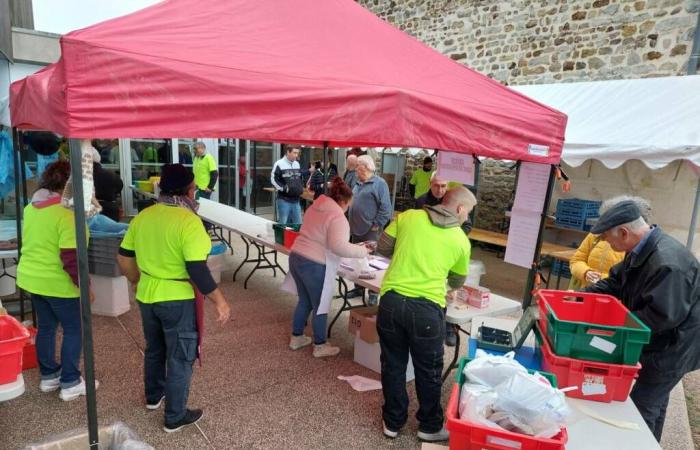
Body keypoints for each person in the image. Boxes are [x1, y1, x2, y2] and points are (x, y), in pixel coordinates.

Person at [117, 163, 231, 433]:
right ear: (188, 190)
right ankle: (174, 416)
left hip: (147, 295)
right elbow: (197, 268)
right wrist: (220, 301)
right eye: (193, 189)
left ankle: (154, 397)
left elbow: (123, 257)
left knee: (155, 349)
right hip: (177, 298)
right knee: (180, 357)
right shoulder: (189, 221)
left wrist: (136, 281)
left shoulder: (143, 216)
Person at [581, 199, 700, 442]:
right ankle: (651, 443)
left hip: (676, 345)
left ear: (624, 233)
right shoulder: (641, 249)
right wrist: (578, 297)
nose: (606, 242)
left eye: (606, 237)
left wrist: (613, 332)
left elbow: (660, 317)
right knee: (656, 401)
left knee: (643, 406)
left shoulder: (667, 263)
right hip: (665, 337)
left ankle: (636, 444)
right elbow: (615, 282)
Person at [376, 186, 476, 442]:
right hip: (427, 310)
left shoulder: (409, 216)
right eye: (469, 212)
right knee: (429, 370)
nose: (467, 218)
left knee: (393, 364)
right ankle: (429, 427)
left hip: (391, 302)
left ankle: (392, 422)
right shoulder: (461, 240)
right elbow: (456, 280)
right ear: (459, 208)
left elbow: (382, 248)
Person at [16, 161, 98, 402]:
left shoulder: (32, 207)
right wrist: (85, 288)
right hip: (57, 282)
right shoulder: (67, 214)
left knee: (47, 327)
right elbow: (71, 258)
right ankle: (71, 381)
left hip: (32, 278)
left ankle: (49, 375)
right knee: (75, 328)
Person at [288, 177, 369, 357]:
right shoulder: (338, 217)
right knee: (320, 305)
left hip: (296, 256)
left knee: (304, 300)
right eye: (349, 205)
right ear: (345, 201)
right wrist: (361, 251)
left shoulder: (314, 207)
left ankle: (297, 337)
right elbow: (337, 246)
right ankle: (320, 345)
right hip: (314, 263)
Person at [569, 195, 651, 290]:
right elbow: (576, 260)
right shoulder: (595, 235)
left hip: (610, 294)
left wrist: (601, 279)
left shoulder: (632, 246)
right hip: (590, 290)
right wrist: (586, 272)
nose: (604, 237)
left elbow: (626, 279)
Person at [348, 155, 393, 243]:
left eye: (357, 165)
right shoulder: (358, 183)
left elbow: (386, 208)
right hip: (355, 230)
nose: (355, 169)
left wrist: (376, 225)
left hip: (370, 232)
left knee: (369, 256)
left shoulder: (380, 183)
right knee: (356, 255)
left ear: (365, 167)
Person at [271, 145, 303, 224]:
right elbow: (273, 179)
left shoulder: (297, 164)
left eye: (297, 153)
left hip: (296, 200)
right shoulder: (279, 164)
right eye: (294, 153)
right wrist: (284, 188)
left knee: (298, 224)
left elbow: (299, 178)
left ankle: (293, 237)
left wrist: (300, 187)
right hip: (284, 200)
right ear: (288, 152)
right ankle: (282, 236)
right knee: (283, 224)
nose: (296, 155)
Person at [91, 147, 124, 222]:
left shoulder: (80, 176)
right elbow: (120, 186)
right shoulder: (111, 174)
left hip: (91, 210)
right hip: (111, 210)